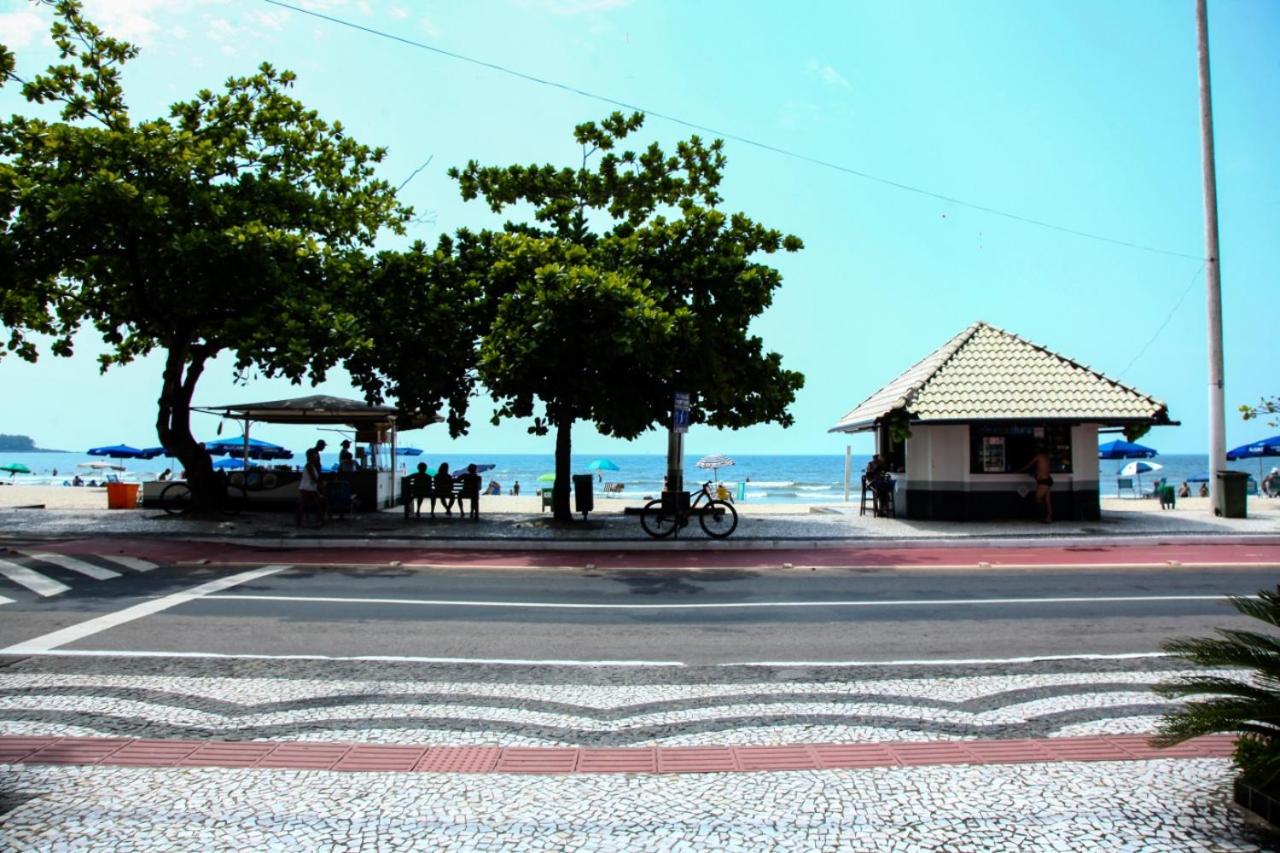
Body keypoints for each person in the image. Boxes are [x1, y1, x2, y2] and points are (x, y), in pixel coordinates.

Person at [1019, 446, 1053, 523]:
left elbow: (1029, 464)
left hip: (1043, 481)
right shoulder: (1046, 458)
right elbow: (1042, 469)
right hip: (1048, 480)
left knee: (1037, 499)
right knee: (1047, 501)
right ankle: (1049, 517)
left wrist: (1020, 469)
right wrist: (1035, 475)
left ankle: (1046, 515)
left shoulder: (1039, 456)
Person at [296, 447, 325, 527]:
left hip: (309, 487)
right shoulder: (309, 466)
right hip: (307, 488)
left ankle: (317, 520)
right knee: (312, 504)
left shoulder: (311, 465)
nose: (316, 457)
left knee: (308, 505)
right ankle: (319, 520)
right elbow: (313, 478)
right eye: (315, 455)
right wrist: (319, 485)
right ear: (311, 456)